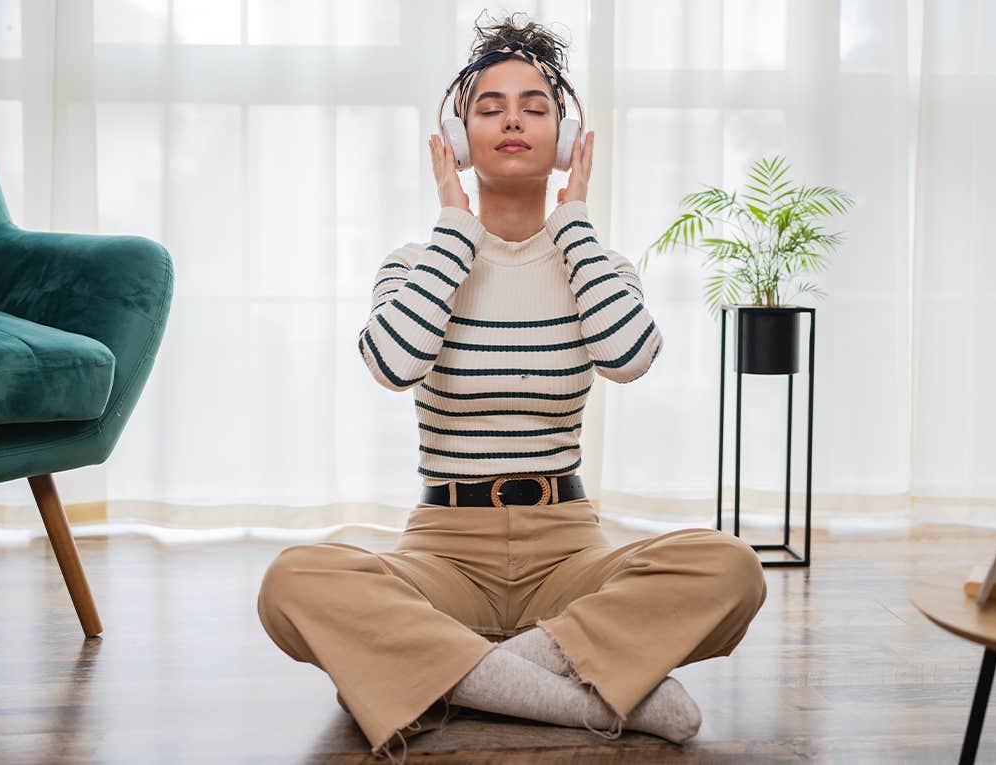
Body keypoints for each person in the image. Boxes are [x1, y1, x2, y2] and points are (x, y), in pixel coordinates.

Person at [257, 13, 767, 764]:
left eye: (535, 106)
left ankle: (446, 674)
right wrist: (455, 231)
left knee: (731, 567)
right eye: (489, 108)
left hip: (569, 549)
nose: (513, 121)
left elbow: (630, 356)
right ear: (459, 139)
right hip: (442, 552)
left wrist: (576, 224)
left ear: (565, 139)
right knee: (293, 580)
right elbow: (393, 365)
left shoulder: (600, 264)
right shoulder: (412, 263)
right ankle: (579, 689)